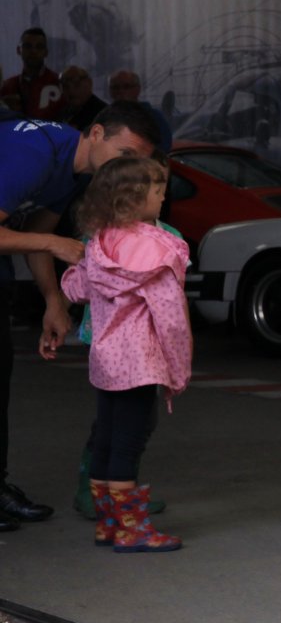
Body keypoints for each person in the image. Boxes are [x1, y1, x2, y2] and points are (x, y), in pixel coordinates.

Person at [0, 103, 162, 530]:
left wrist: (53, 300)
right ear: (96, 133)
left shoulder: (70, 171)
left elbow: (35, 232)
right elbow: (44, 239)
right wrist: (55, 244)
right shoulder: (36, 152)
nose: (128, 170)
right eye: (125, 155)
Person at [58, 155, 191, 550]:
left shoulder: (100, 243)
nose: (163, 198)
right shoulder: (157, 249)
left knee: (107, 438)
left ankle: (108, 524)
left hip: (107, 361)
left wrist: (78, 271)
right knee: (129, 444)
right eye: (157, 191)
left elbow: (76, 290)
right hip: (142, 362)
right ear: (133, 199)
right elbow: (171, 318)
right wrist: (179, 369)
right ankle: (132, 530)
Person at [1, 28, 64, 120]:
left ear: (46, 52)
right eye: (27, 46)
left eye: (39, 47)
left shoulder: (60, 84)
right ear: (19, 50)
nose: (33, 51)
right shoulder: (7, 86)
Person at [61, 66, 108, 132]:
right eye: (66, 86)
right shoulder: (62, 112)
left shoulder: (103, 113)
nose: (71, 91)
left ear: (89, 83)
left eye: (77, 85)